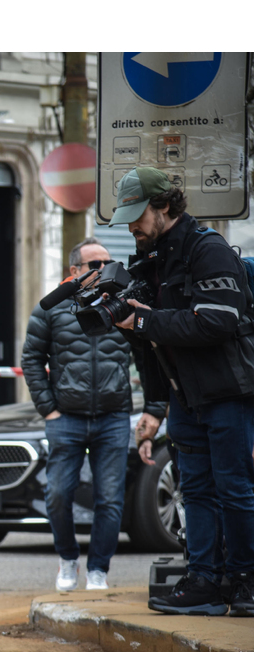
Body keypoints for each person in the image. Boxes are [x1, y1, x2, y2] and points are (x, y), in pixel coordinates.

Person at [109, 166, 254, 617]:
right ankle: (204, 580)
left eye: (138, 216)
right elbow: (151, 344)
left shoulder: (207, 250)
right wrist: (156, 405)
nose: (131, 227)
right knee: (196, 491)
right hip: (184, 398)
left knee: (234, 489)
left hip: (227, 394)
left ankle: (246, 581)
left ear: (165, 206)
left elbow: (218, 321)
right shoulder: (149, 259)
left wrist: (144, 319)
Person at [22, 238, 165, 591]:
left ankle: (98, 569)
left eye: (106, 262)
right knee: (58, 494)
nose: (103, 270)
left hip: (113, 417)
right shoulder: (52, 308)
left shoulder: (125, 305)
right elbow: (32, 359)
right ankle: (68, 559)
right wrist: (48, 409)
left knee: (110, 499)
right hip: (66, 419)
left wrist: (153, 407)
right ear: (74, 271)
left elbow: (148, 357)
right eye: (94, 265)